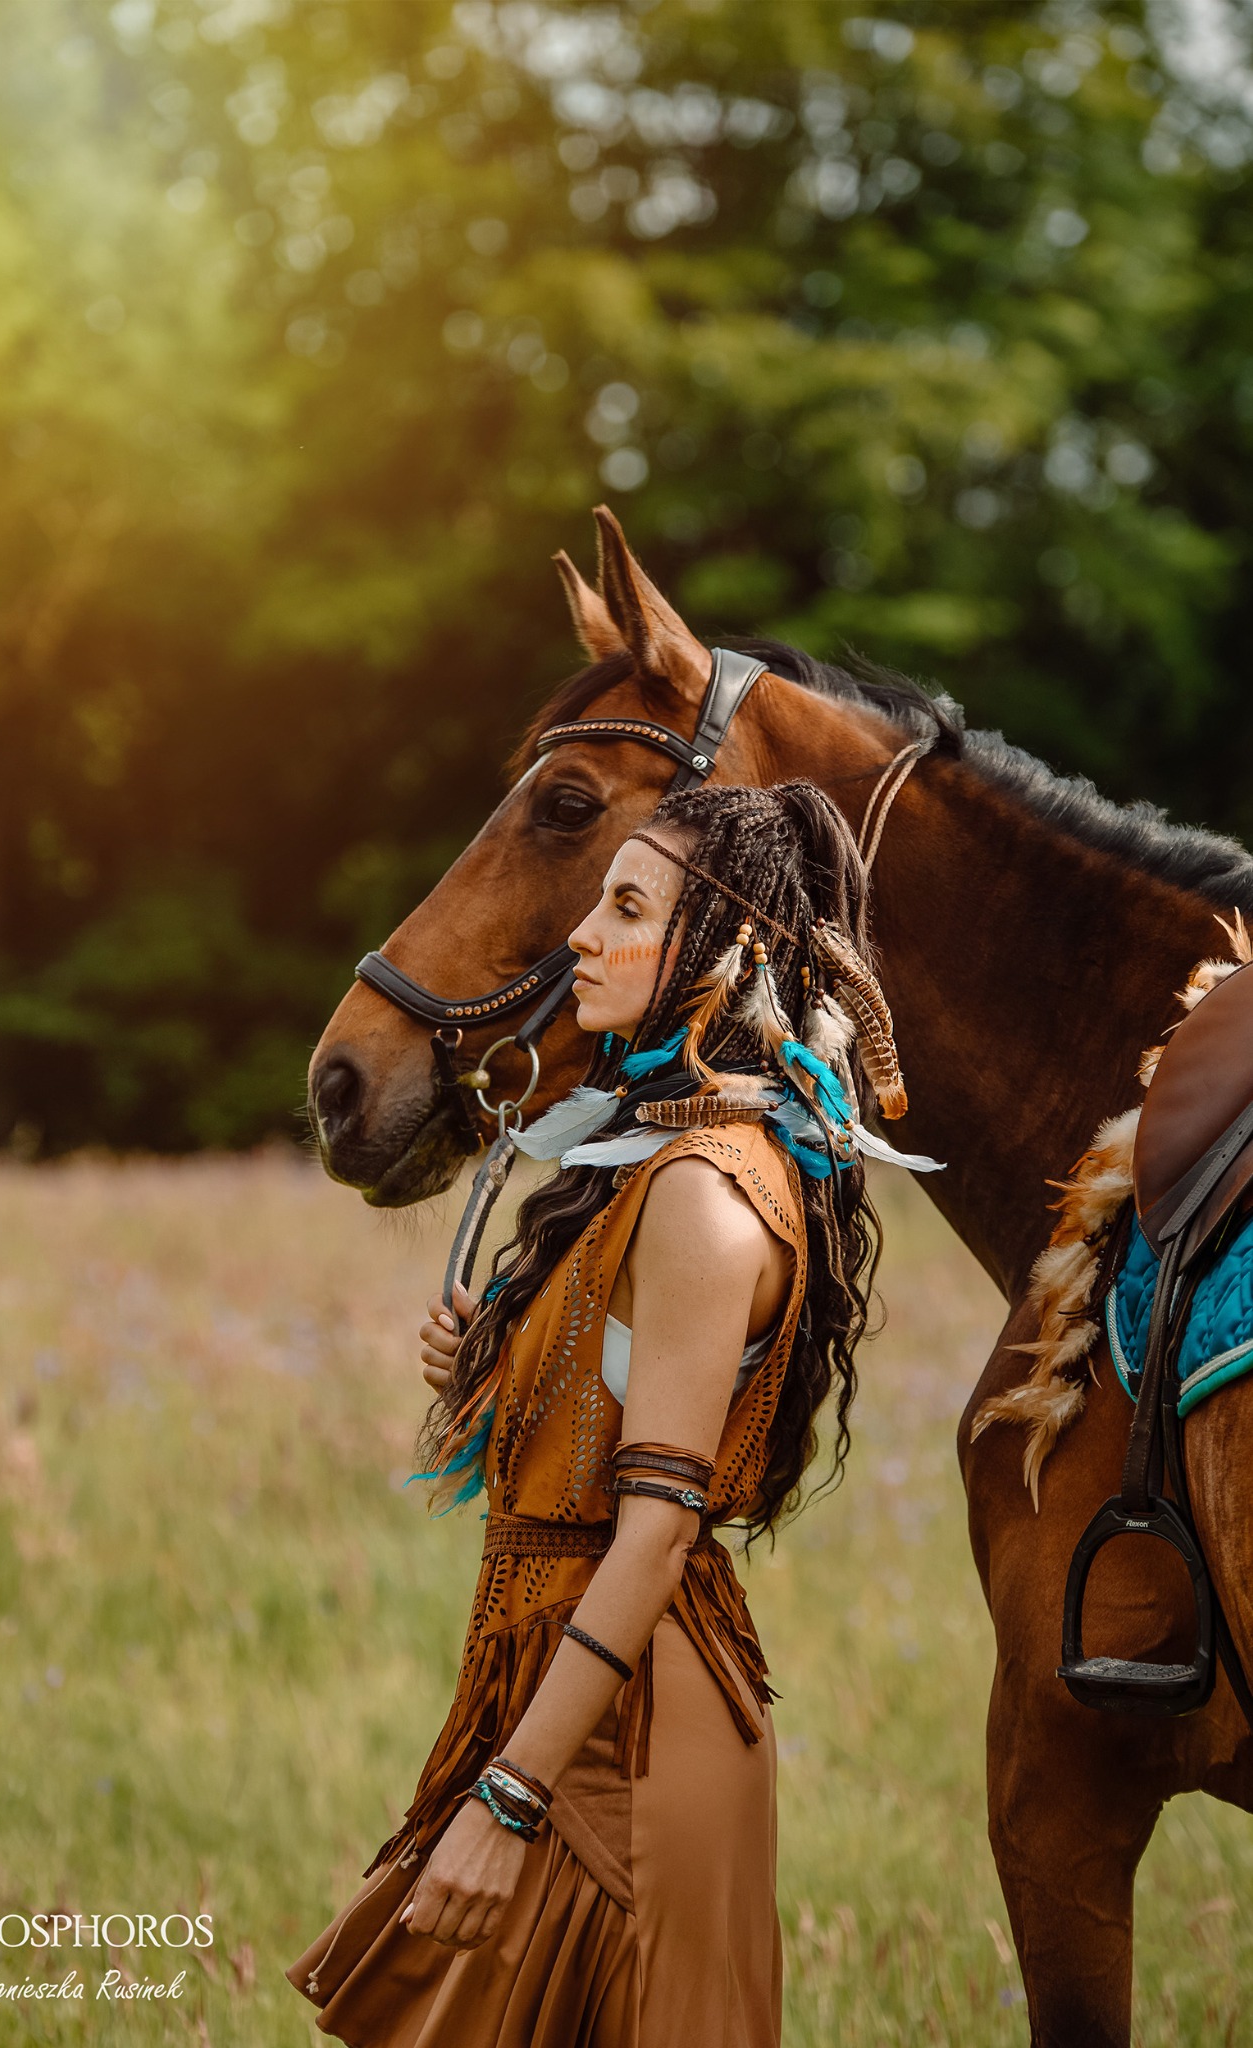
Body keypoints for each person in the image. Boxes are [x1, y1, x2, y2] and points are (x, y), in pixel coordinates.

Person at [288, 779, 936, 2046]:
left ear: (721, 950)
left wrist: (512, 1795)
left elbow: (652, 1529)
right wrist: (501, 1360)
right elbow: (622, 1399)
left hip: (623, 1743)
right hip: (570, 1687)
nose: (582, 934)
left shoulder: (701, 1192)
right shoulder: (673, 1154)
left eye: (625, 906)